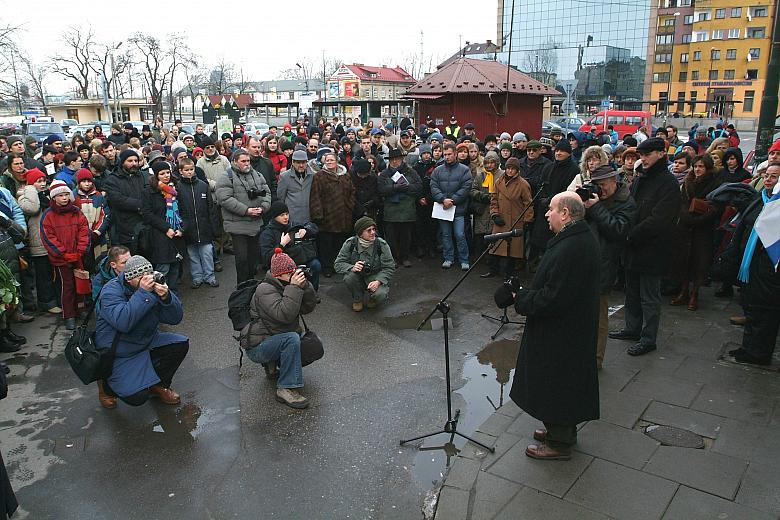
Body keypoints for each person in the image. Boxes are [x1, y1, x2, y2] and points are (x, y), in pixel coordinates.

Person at [510, 192, 600, 460]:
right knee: (559, 383)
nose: (547, 214)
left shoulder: (573, 247)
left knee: (558, 382)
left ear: (565, 213)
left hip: (564, 332)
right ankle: (559, 429)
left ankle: (559, 442)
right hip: (567, 328)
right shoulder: (574, 240)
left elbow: (554, 296)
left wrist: (522, 299)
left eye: (551, 209)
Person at [610, 138, 680, 356]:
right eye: (641, 155)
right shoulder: (641, 178)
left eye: (647, 154)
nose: (643, 159)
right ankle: (632, 328)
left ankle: (648, 338)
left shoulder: (668, 183)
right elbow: (630, 206)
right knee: (631, 291)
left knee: (649, 296)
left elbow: (660, 219)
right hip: (632, 246)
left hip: (652, 248)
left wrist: (632, 234)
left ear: (660, 153)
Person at [95, 255, 188, 407]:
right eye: (141, 277)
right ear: (129, 279)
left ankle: (157, 385)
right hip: (119, 350)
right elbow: (123, 322)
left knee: (180, 344)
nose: (147, 280)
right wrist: (144, 293)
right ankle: (106, 387)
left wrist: (166, 297)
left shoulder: (151, 287)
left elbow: (175, 318)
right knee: (137, 397)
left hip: (146, 340)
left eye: (148, 275)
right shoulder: (110, 291)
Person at [241, 248, 317, 409]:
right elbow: (285, 315)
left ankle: (272, 363)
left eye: (295, 270)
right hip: (258, 346)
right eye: (291, 272)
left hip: (273, 338)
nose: (294, 274)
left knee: (311, 345)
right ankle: (286, 387)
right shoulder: (264, 289)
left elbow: (307, 308)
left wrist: (305, 287)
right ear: (278, 274)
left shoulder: (286, 284)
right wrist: (295, 288)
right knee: (291, 339)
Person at [723, 162, 780, 365]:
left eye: (774, 177)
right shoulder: (760, 199)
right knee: (751, 308)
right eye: (766, 175)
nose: (768, 180)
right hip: (750, 264)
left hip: (769, 267)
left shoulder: (777, 205)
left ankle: (760, 353)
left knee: (766, 312)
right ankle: (748, 347)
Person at [583, 165, 636, 368]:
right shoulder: (595, 198)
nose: (600, 189)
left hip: (604, 264)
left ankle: (595, 359)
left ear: (614, 181)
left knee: (598, 316)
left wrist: (596, 208)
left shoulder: (626, 202)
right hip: (585, 259)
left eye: (603, 185)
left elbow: (618, 230)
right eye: (597, 185)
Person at [670, 155, 723, 311]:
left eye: (701, 167)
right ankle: (684, 290)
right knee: (684, 259)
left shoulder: (715, 182)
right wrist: (685, 216)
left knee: (700, 261)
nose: (698, 169)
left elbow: (716, 207)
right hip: (686, 227)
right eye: (696, 166)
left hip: (703, 229)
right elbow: (682, 202)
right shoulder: (688, 181)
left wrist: (700, 219)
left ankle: (695, 293)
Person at [216, 150, 272, 284]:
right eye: (243, 161)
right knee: (242, 260)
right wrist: (246, 211)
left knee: (253, 260)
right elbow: (224, 199)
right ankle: (242, 289)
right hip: (237, 226)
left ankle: (251, 287)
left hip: (255, 224)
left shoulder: (257, 175)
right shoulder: (226, 177)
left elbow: (267, 193)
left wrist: (263, 207)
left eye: (248, 161)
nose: (247, 164)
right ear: (235, 161)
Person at [40, 180, 90, 330]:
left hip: (77, 255)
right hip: (61, 259)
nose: (64, 198)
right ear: (54, 198)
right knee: (66, 286)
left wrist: (80, 251)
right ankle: (69, 315)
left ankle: (79, 309)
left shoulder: (76, 211)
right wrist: (63, 253)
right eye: (60, 195)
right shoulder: (48, 215)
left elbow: (84, 231)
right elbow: (48, 237)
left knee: (80, 283)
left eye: (66, 194)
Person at [18, 169, 60, 314]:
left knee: (51, 273)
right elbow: (33, 208)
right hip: (38, 242)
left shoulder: (45, 196)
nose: (42, 184)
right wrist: (30, 189)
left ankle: (52, 300)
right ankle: (46, 302)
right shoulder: (25, 198)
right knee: (43, 276)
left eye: (43, 181)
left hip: (50, 240)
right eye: (38, 181)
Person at [309, 152, 355, 277]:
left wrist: (350, 207)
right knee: (326, 245)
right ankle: (327, 268)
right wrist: (318, 214)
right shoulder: (319, 176)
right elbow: (315, 196)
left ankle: (339, 265)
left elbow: (352, 192)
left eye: (331, 160)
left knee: (340, 244)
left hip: (344, 215)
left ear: (337, 161)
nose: (329, 162)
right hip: (327, 217)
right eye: (327, 160)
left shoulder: (345, 176)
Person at [334, 216, 395, 312]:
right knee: (349, 277)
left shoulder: (381, 244)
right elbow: (338, 264)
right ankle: (358, 299)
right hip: (357, 276)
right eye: (369, 230)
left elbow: (389, 267)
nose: (373, 232)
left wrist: (378, 281)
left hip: (375, 276)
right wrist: (352, 267)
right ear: (360, 233)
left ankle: (373, 298)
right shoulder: (350, 243)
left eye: (374, 229)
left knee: (380, 294)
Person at [487, 157, 534, 278]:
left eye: (513, 169)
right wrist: (495, 214)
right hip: (501, 219)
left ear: (517, 170)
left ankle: (509, 273)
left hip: (515, 219)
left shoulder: (523, 184)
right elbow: (494, 200)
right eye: (508, 168)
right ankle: (493, 270)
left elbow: (528, 203)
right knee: (496, 245)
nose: (509, 171)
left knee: (512, 249)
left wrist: (527, 220)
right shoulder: (499, 182)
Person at [177, 157, 220, 289]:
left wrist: (214, 227)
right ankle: (197, 277)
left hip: (204, 226)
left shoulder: (202, 185)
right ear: (180, 171)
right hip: (188, 228)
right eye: (186, 170)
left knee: (207, 253)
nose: (189, 172)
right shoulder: (178, 188)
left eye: (191, 169)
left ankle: (210, 276)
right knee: (193, 254)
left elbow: (210, 208)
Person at [143, 162, 185, 292]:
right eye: (162, 174)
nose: (166, 176)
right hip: (159, 234)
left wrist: (182, 229)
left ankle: (173, 295)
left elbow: (183, 210)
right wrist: (166, 228)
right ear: (156, 176)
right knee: (164, 268)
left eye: (168, 172)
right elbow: (147, 214)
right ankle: (162, 295)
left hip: (176, 233)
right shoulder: (149, 192)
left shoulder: (175, 189)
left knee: (175, 268)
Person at [430, 143, 473, 270]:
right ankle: (448, 258)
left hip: (458, 209)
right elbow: (433, 186)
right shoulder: (438, 170)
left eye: (449, 154)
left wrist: (452, 200)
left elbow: (466, 187)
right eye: (445, 154)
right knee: (446, 234)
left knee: (460, 234)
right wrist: (443, 199)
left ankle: (464, 259)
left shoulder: (464, 170)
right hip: (443, 209)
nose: (447, 157)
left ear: (455, 154)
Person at [377, 148, 422, 267]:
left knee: (406, 237)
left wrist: (406, 187)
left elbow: (418, 187)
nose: (395, 161)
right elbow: (381, 190)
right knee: (391, 238)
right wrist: (394, 188)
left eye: (397, 159)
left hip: (407, 211)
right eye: (392, 159)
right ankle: (393, 259)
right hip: (390, 211)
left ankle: (405, 257)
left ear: (402, 159)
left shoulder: (411, 172)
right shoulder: (384, 174)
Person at [104, 149, 149, 253]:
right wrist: (141, 205)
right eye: (130, 161)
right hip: (125, 228)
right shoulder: (112, 180)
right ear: (122, 162)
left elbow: (150, 194)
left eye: (135, 161)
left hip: (146, 225)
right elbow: (118, 200)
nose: (134, 163)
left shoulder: (145, 176)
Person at [277, 149, 315, 226]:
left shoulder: (313, 176)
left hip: (309, 217)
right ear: (293, 162)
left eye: (303, 162)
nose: (301, 165)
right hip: (292, 218)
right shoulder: (285, 177)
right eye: (298, 162)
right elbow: (281, 197)